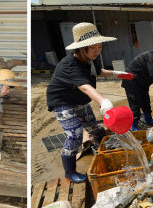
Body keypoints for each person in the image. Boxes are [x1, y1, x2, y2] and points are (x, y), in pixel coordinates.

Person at [46, 22, 130, 183]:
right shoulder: (69, 65)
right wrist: (103, 101)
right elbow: (85, 87)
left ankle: (104, 154)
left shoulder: (90, 59)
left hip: (79, 99)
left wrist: (118, 73)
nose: (97, 51)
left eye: (100, 47)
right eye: (93, 48)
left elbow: (98, 72)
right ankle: (69, 172)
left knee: (96, 129)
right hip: (62, 101)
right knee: (75, 135)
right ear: (81, 48)